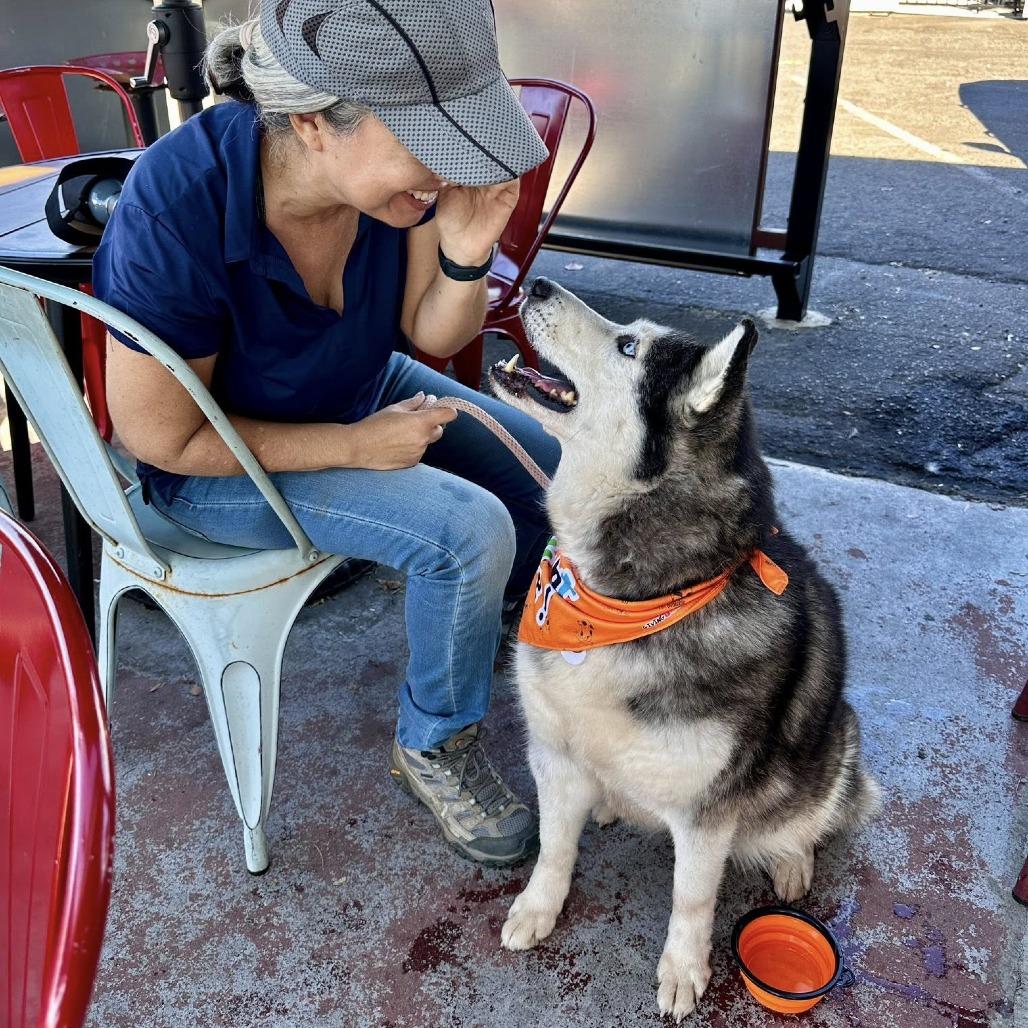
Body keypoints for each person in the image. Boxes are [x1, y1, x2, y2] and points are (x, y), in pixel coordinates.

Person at [92, 0, 559, 867]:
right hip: (214, 461)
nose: (449, 167)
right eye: (429, 137)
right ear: (313, 122)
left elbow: (431, 332)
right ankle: (435, 741)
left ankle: (499, 631)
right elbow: (162, 439)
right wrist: (354, 447)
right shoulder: (180, 202)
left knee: (547, 475)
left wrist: (465, 250)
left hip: (351, 385)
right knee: (468, 532)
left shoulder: (403, 191)